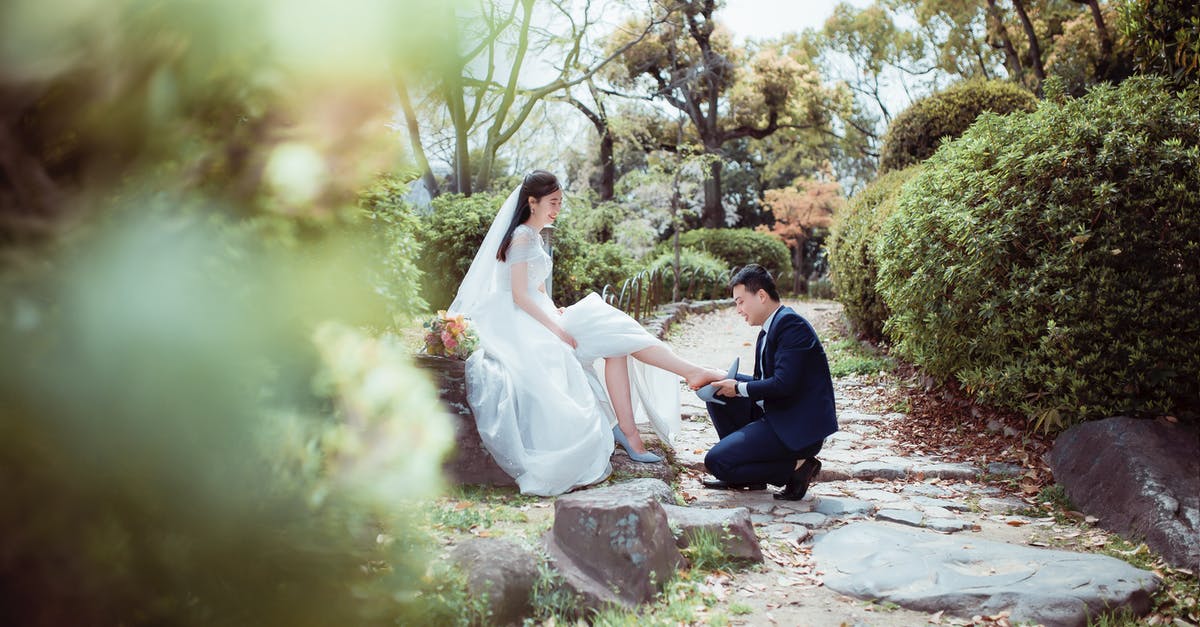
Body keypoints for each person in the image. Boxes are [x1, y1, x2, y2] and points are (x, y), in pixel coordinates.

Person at [449, 170, 723, 496]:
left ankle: (638, 423)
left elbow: (535, 287)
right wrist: (556, 328)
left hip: (542, 315)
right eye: (552, 202)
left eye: (560, 202)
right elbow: (520, 296)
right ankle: (685, 378)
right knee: (608, 325)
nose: (557, 209)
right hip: (522, 323)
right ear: (532, 202)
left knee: (614, 337)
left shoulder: (533, 236)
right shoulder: (522, 235)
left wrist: (556, 309)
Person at [700, 264, 838, 500]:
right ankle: (749, 475)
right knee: (718, 389)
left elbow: (784, 384)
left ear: (761, 296)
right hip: (777, 414)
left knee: (715, 461)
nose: (739, 309)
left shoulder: (791, 326)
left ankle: (798, 468)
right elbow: (764, 381)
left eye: (740, 301)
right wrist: (724, 380)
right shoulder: (770, 328)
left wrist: (739, 388)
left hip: (796, 428)